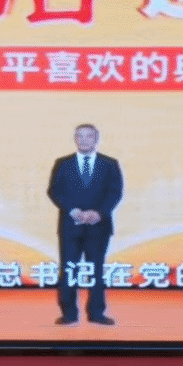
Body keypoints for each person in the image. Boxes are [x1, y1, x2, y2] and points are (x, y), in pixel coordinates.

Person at [46, 123, 123, 325]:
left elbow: (115, 192)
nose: (83, 140)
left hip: (99, 226)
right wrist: (73, 210)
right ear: (75, 139)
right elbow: (54, 191)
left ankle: (97, 313)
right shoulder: (63, 163)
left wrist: (99, 213)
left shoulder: (109, 164)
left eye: (88, 136)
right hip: (70, 225)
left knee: (95, 270)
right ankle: (69, 313)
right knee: (69, 270)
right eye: (79, 136)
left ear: (96, 139)